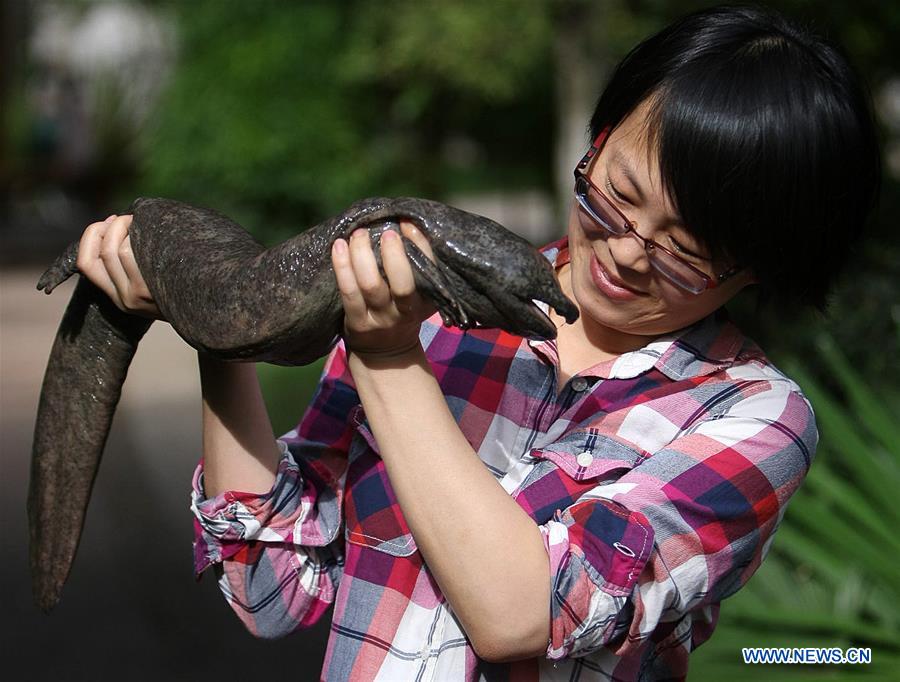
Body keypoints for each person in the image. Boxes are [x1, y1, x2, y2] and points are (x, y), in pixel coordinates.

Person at [76, 4, 880, 680]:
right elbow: (271, 589)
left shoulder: (756, 421)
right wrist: (220, 323)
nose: (630, 251)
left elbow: (519, 612)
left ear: (763, 269)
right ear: (595, 141)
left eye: (689, 245)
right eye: (619, 195)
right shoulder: (424, 303)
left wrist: (389, 360)